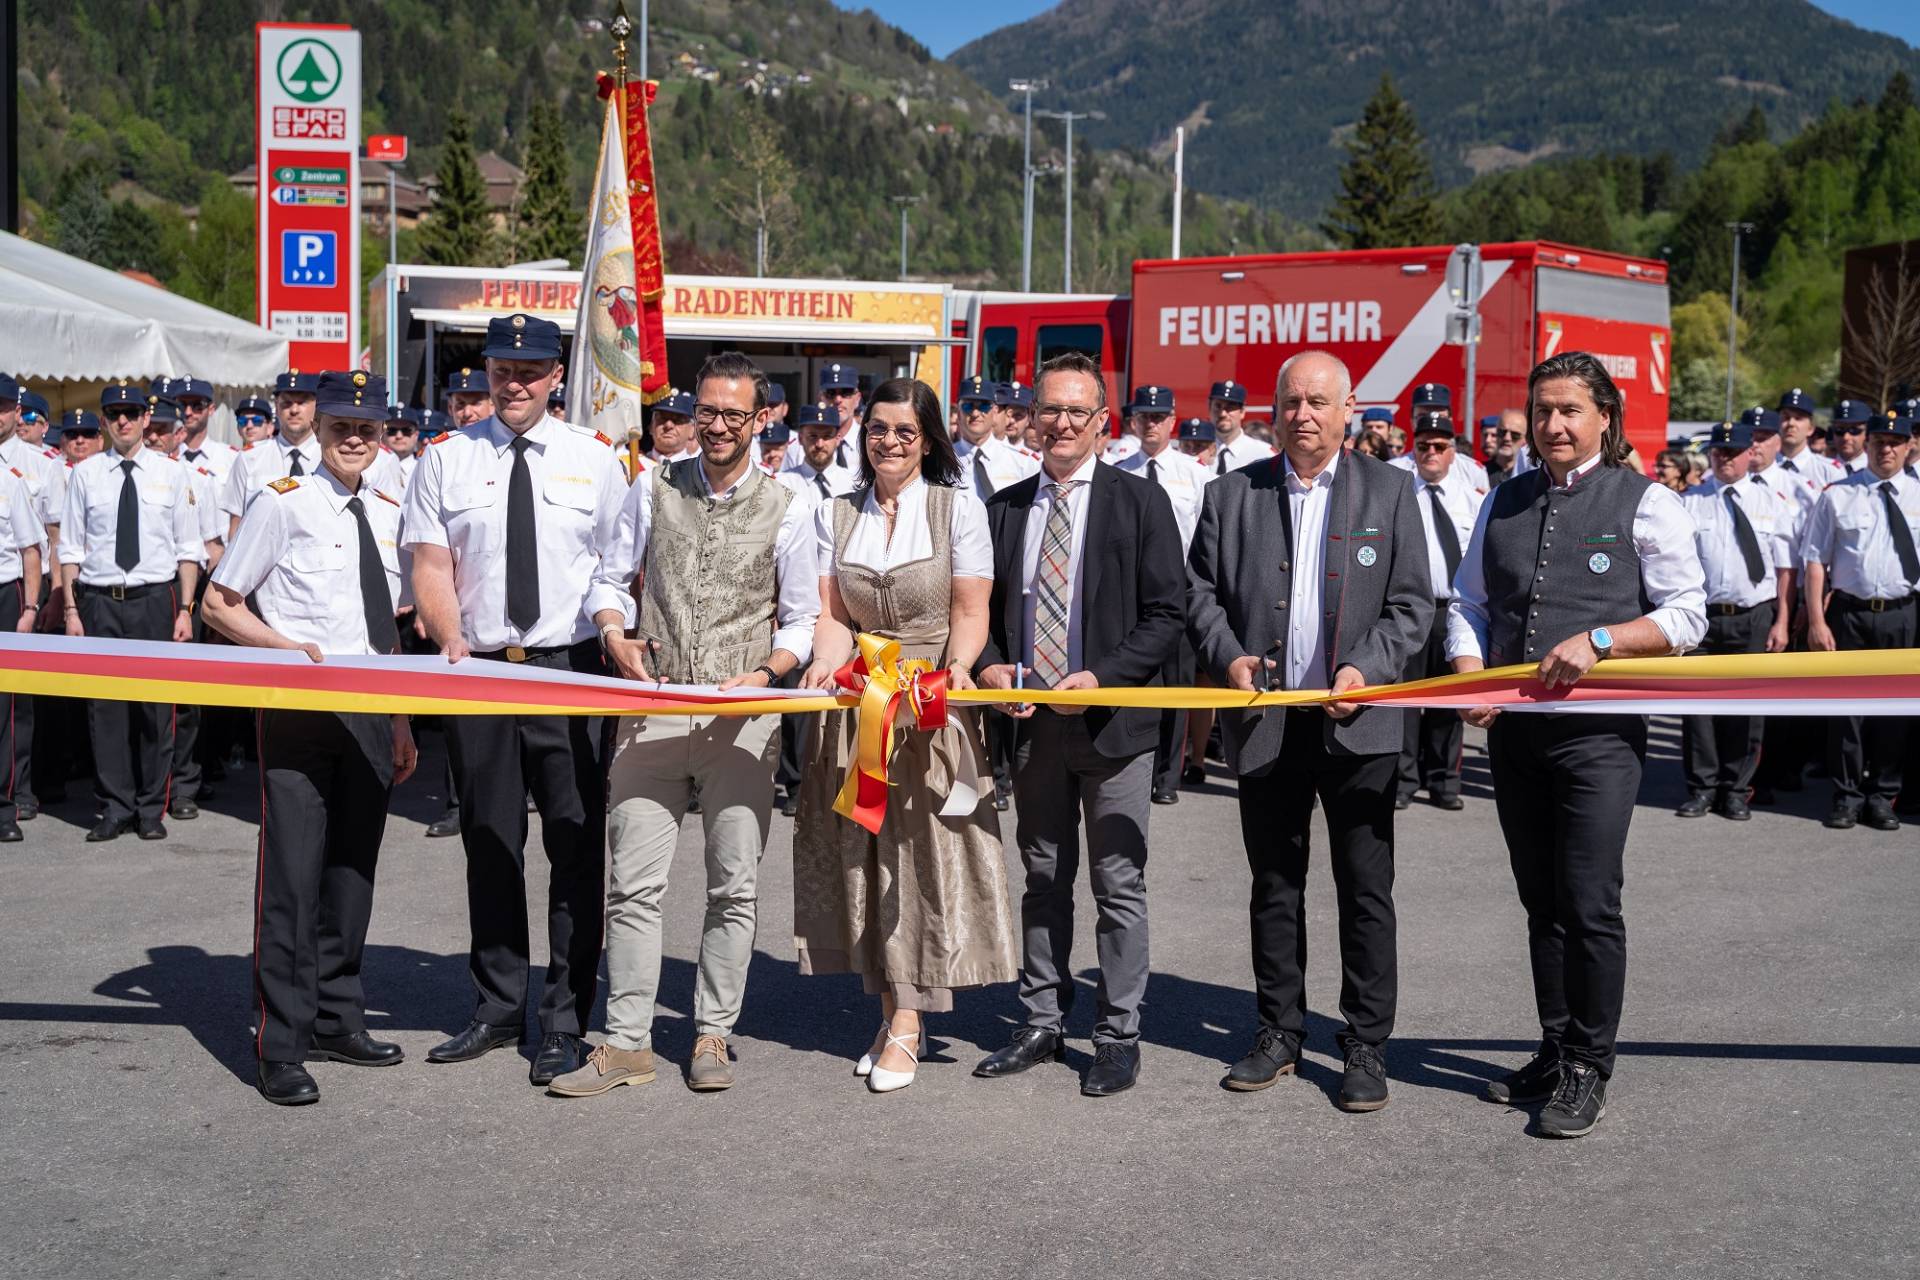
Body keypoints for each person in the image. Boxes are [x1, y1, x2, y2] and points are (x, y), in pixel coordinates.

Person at [1447, 351, 1705, 1138]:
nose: (1553, 425)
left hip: (1599, 737)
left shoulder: (1648, 502)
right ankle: (1557, 1046)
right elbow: (1467, 602)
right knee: (1542, 900)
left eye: (1569, 411)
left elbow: (1688, 615)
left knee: (1590, 900)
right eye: (1542, 411)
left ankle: (1591, 1063)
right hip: (1517, 735)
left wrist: (1603, 638)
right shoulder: (1503, 499)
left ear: (1604, 418)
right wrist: (1469, 673)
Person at [549, 351, 818, 1099]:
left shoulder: (790, 504)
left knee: (733, 885)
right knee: (633, 885)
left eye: (735, 414)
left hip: (743, 718)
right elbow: (609, 579)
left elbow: (801, 618)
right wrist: (615, 635)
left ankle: (712, 1032)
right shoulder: (652, 484)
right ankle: (626, 1042)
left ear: (760, 419)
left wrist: (767, 673)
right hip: (655, 708)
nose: (719, 426)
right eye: (708, 412)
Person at [1187, 351, 1433, 1111]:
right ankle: (1278, 1031)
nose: (1303, 415)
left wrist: (1366, 668)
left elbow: (1413, 604)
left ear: (1348, 408)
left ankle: (1365, 1044)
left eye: (1319, 401)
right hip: (1266, 721)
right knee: (1274, 884)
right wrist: (1228, 657)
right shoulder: (1232, 494)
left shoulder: (1391, 491)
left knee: (1365, 888)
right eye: (1292, 401)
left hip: (1360, 723)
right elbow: (1197, 593)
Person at [403, 313, 628, 1087]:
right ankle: (498, 1007)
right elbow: (430, 563)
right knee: (491, 843)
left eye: (530, 371)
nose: (515, 383)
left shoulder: (596, 459)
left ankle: (564, 1020)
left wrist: (616, 633)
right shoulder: (445, 458)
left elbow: (616, 567)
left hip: (571, 667)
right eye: (503, 369)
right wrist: (448, 636)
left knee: (575, 846)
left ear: (556, 376)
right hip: (481, 670)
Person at [781, 377, 1017, 1093]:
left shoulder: (957, 508)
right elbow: (833, 615)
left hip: (927, 705)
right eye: (878, 429)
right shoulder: (835, 510)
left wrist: (957, 669)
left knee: (918, 858)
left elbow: (970, 610)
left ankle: (910, 1021)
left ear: (928, 440)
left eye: (904, 432)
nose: (889, 442)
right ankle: (889, 1013)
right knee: (865, 857)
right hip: (860, 702)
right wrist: (824, 663)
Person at [970, 351, 1185, 1098]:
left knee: (1117, 882)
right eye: (1050, 409)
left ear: (1102, 422)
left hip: (1114, 725)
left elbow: (1166, 614)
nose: (1061, 423)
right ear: (1031, 418)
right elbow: (981, 614)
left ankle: (1118, 1034)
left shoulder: (1140, 503)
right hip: (1032, 728)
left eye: (1076, 411)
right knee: (1042, 877)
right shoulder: (1005, 507)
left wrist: (1102, 678)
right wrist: (990, 668)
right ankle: (1040, 1019)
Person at [203, 370, 418, 1106]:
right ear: (318, 429)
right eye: (341, 427)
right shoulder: (280, 502)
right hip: (298, 708)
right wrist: (285, 649)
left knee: (352, 876)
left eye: (367, 429)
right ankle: (281, 1043)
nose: (354, 439)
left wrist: (400, 720)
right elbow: (219, 603)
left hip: (371, 711)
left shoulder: (386, 510)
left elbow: (383, 629)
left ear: (382, 434)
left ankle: (335, 1017)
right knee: (292, 879)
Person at [59, 382, 203, 843]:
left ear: (146, 419)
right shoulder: (85, 475)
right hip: (100, 601)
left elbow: (188, 549)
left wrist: (185, 610)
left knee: (155, 710)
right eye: (114, 413)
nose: (123, 420)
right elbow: (70, 549)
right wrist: (71, 610)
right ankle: (114, 808)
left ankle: (150, 808)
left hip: (154, 600)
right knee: (105, 710)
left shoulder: (172, 473)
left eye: (131, 412)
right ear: (103, 422)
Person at [1802, 410, 1920, 832]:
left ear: (1909, 446)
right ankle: (1847, 796)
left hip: (1903, 614)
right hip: (1849, 614)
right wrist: (1817, 621)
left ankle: (1883, 795)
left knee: (1895, 712)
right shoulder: (1838, 495)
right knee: (1846, 711)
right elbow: (1815, 561)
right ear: (1868, 444)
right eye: (1879, 441)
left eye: (1895, 442)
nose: (1886, 449)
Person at [1671, 421, 1793, 821]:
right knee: (1697, 708)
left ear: (1749, 454)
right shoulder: (1689, 502)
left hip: (1753, 615)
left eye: (1733, 452)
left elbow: (1785, 569)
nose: (1725, 458)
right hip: (1703, 618)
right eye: (1718, 451)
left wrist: (1782, 621)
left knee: (1747, 707)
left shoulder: (1771, 501)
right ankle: (1702, 788)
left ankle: (1737, 789)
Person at [1114, 383, 1211, 805]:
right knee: (1133, 681)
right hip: (1129, 592)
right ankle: (1134, 764)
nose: (1150, 424)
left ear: (1172, 421)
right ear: (1133, 422)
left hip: (1179, 590)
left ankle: (1168, 776)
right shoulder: (1117, 470)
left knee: (1178, 685)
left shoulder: (1195, 474)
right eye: (1143, 417)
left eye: (1158, 417)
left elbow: (1206, 538)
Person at [1394, 412, 1482, 811]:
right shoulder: (1399, 493)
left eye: (1440, 446)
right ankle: (1403, 781)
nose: (1431, 452)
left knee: (1451, 698)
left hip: (1454, 610)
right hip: (1409, 609)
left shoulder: (1472, 497)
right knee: (1405, 701)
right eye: (1424, 445)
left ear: (1452, 452)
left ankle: (1445, 781)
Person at [144, 393, 223, 820]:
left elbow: (211, 545)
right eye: (150, 428)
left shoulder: (197, 479)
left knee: (185, 696)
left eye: (162, 430)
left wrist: (203, 603)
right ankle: (149, 783)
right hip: (147, 586)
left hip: (185, 587)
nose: (154, 437)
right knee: (143, 693)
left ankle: (185, 783)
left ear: (178, 434)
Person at [0, 439, 45, 841]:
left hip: (4, 596)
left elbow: (31, 550)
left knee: (5, 709)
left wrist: (30, 608)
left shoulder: (10, 482)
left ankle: (4, 808)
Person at [223, 371, 321, 538]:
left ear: (316, 405)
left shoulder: (331, 457)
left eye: (302, 402)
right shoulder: (249, 459)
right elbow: (236, 526)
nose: (294, 410)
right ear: (276, 406)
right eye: (286, 403)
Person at [953, 374, 1038, 503]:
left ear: (994, 412)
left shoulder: (1023, 463)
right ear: (959, 414)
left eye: (984, 406)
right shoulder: (942, 460)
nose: (975, 413)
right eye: (968, 406)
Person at [782, 363, 862, 472]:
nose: (838, 400)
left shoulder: (868, 441)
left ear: (857, 399)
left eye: (846, 393)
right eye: (830, 393)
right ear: (820, 397)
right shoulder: (798, 446)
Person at [1209, 379, 1270, 473]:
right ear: (1209, 408)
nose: (1222, 414)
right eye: (1218, 406)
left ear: (1242, 411)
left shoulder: (1264, 453)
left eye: (1230, 407)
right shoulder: (1195, 452)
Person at [643, 389, 697, 463]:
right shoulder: (632, 465)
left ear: (692, 430)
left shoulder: (701, 469)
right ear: (651, 426)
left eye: (678, 420)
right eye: (662, 418)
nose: (668, 425)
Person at [1829, 399, 1872, 474]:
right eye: (1839, 430)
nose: (1846, 437)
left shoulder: (1876, 470)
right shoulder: (1820, 468)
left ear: (1867, 433)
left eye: (1854, 430)